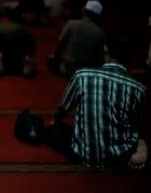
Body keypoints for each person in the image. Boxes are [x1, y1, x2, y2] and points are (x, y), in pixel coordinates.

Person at [46, 36, 148, 169]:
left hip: (82, 154)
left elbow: (63, 108)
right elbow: (138, 123)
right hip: (119, 158)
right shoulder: (139, 89)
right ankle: (139, 150)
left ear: (106, 50)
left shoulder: (82, 75)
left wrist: (56, 122)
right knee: (139, 138)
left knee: (52, 130)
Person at [49, 0, 106, 77]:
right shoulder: (100, 33)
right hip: (88, 72)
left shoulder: (71, 24)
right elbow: (100, 58)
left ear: (83, 11)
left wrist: (56, 59)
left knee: (50, 60)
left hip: (69, 69)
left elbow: (60, 45)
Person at [0, 8, 37, 77]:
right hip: (17, 57)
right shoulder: (20, 27)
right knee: (24, 57)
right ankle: (25, 64)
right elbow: (32, 45)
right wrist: (28, 53)